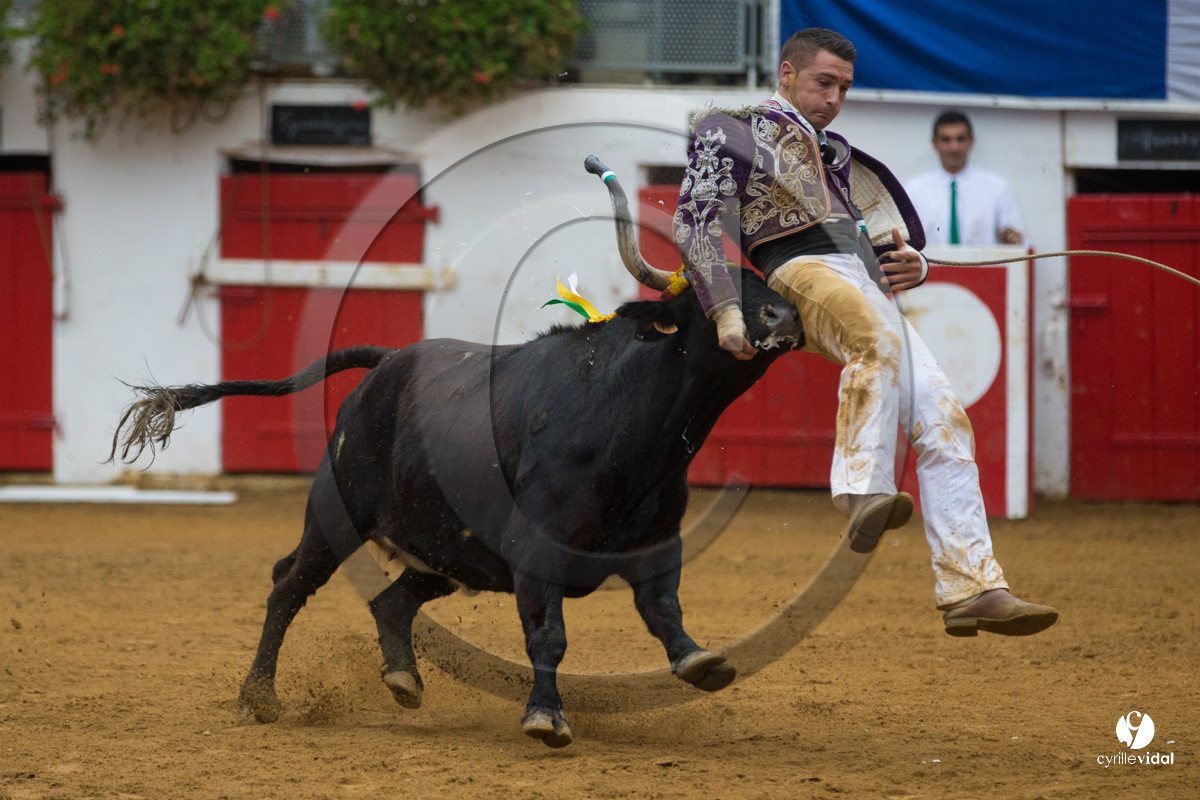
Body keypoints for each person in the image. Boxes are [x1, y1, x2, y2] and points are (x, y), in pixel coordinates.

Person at [672, 27, 1057, 636]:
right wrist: (724, 310)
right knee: (873, 339)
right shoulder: (734, 130)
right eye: (824, 82)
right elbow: (694, 221)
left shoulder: (838, 155)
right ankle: (861, 493)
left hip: (863, 279)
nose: (834, 98)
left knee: (944, 415)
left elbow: (886, 246)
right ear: (787, 74)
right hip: (799, 267)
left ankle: (972, 586)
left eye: (844, 88)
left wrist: (919, 266)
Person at [906, 110, 1027, 246]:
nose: (954, 147)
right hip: (931, 267)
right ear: (934, 143)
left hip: (984, 266)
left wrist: (1012, 239)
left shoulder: (997, 187)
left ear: (971, 141)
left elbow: (1020, 246)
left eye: (960, 139)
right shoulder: (914, 189)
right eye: (946, 140)